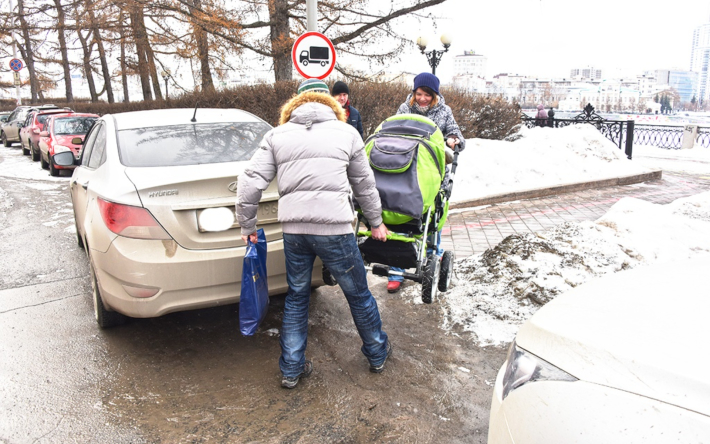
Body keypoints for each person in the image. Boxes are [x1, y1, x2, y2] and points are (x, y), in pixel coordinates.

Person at [236, 78, 392, 389]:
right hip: (335, 229)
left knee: (296, 296)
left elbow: (250, 182)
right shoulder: (347, 133)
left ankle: (292, 368)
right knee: (358, 293)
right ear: (331, 103)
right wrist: (376, 222)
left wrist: (247, 226)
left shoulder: (277, 135)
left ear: (295, 104)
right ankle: (376, 352)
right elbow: (364, 184)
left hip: (295, 231)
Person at [387, 72, 466, 293]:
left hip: (433, 170)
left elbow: (456, 134)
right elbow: (392, 130)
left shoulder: (444, 111)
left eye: (427, 95)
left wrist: (453, 139)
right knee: (401, 215)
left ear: (435, 96)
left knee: (433, 213)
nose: (422, 99)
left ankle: (433, 255)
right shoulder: (405, 109)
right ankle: (396, 269)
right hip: (407, 167)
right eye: (418, 94)